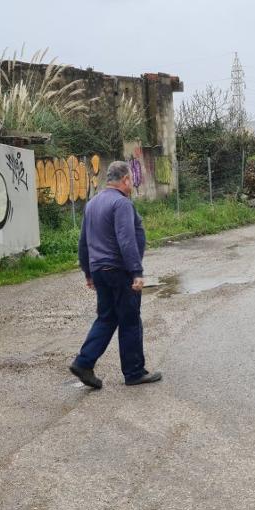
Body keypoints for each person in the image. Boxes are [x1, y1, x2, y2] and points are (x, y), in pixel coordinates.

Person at [68, 161, 162, 389]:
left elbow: (84, 242)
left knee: (107, 317)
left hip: (100, 271)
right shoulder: (121, 204)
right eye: (131, 179)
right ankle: (134, 372)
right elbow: (126, 240)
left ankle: (84, 363)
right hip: (119, 271)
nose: (132, 183)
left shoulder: (92, 204)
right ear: (125, 180)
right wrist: (136, 272)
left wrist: (88, 272)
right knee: (129, 320)